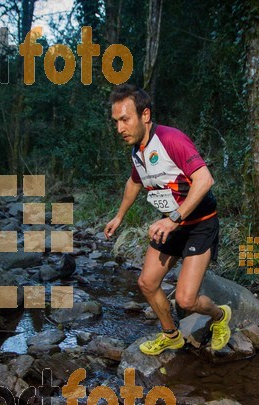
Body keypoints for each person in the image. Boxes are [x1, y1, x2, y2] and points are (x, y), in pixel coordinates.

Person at [103, 84, 231, 356]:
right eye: (116, 122)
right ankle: (171, 335)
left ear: (145, 115)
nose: (119, 128)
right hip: (171, 225)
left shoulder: (171, 139)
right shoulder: (137, 150)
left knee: (186, 299)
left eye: (125, 120)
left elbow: (205, 179)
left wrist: (173, 218)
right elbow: (134, 182)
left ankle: (220, 316)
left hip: (199, 224)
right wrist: (118, 216)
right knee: (147, 283)